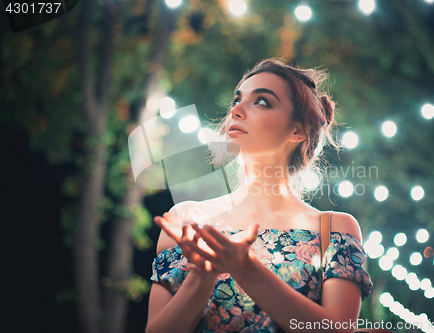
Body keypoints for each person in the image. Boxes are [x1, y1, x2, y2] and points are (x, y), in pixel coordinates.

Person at [146, 58, 373, 333]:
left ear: (298, 130)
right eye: (236, 100)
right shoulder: (185, 220)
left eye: (262, 101)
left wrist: (247, 269)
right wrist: (200, 278)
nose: (237, 110)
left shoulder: (334, 228)